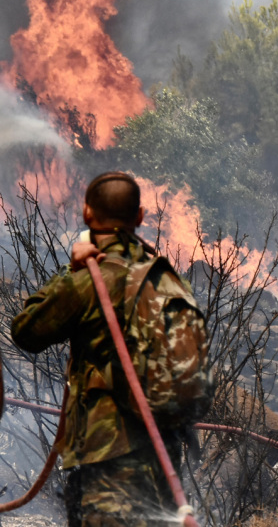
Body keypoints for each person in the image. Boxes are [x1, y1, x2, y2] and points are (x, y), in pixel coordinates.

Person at [11, 172, 181, 526]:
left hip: (103, 463)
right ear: (140, 217)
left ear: (88, 214)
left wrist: (69, 272)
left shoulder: (89, 280)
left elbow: (26, 331)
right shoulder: (167, 279)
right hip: (162, 460)